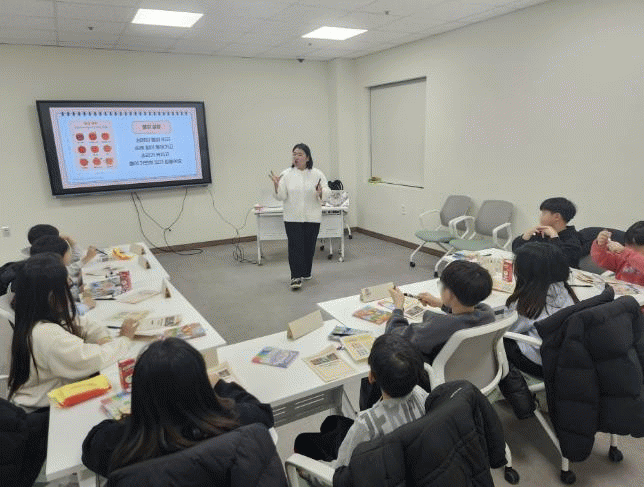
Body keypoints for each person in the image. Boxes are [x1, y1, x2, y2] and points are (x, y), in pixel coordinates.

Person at [82, 338, 275, 478]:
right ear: (201, 387)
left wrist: (135, 417)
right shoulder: (232, 421)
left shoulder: (122, 444)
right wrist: (219, 384)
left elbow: (92, 444)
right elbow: (262, 412)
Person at [8, 253, 138, 411]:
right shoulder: (46, 334)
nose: (70, 291)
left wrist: (103, 338)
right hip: (44, 410)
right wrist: (124, 340)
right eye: (67, 287)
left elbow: (84, 324)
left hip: (53, 394)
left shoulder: (37, 314)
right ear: (52, 295)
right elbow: (91, 359)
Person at [293, 334, 428, 467]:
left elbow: (342, 467)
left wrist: (314, 471)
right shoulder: (422, 395)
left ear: (371, 377)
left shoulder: (365, 423)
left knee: (302, 441)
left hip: (370, 467)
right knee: (331, 422)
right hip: (398, 459)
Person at [386, 260, 495, 363]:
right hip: (475, 371)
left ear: (450, 294)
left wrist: (398, 307)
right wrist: (441, 304)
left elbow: (395, 337)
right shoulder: (488, 314)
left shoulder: (438, 325)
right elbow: (464, 315)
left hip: (436, 374)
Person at [503, 242, 578, 378]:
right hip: (562, 358)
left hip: (539, 362)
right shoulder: (564, 289)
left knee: (496, 340)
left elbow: (507, 329)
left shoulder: (530, 300)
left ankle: (511, 384)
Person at [269, 143, 330, 290]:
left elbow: (327, 192)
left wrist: (321, 192)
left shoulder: (317, 174)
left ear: (307, 158)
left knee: (309, 246)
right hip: (292, 218)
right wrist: (276, 185)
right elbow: (281, 196)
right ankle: (295, 276)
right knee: (295, 247)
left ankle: (306, 272)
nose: (296, 157)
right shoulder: (286, 174)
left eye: (300, 154)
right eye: (294, 154)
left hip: (312, 217)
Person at [512, 197, 582, 268]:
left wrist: (554, 237)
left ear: (557, 217)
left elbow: (562, 260)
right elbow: (516, 251)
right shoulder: (542, 233)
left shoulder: (572, 238)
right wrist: (526, 236)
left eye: (544, 213)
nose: (540, 216)